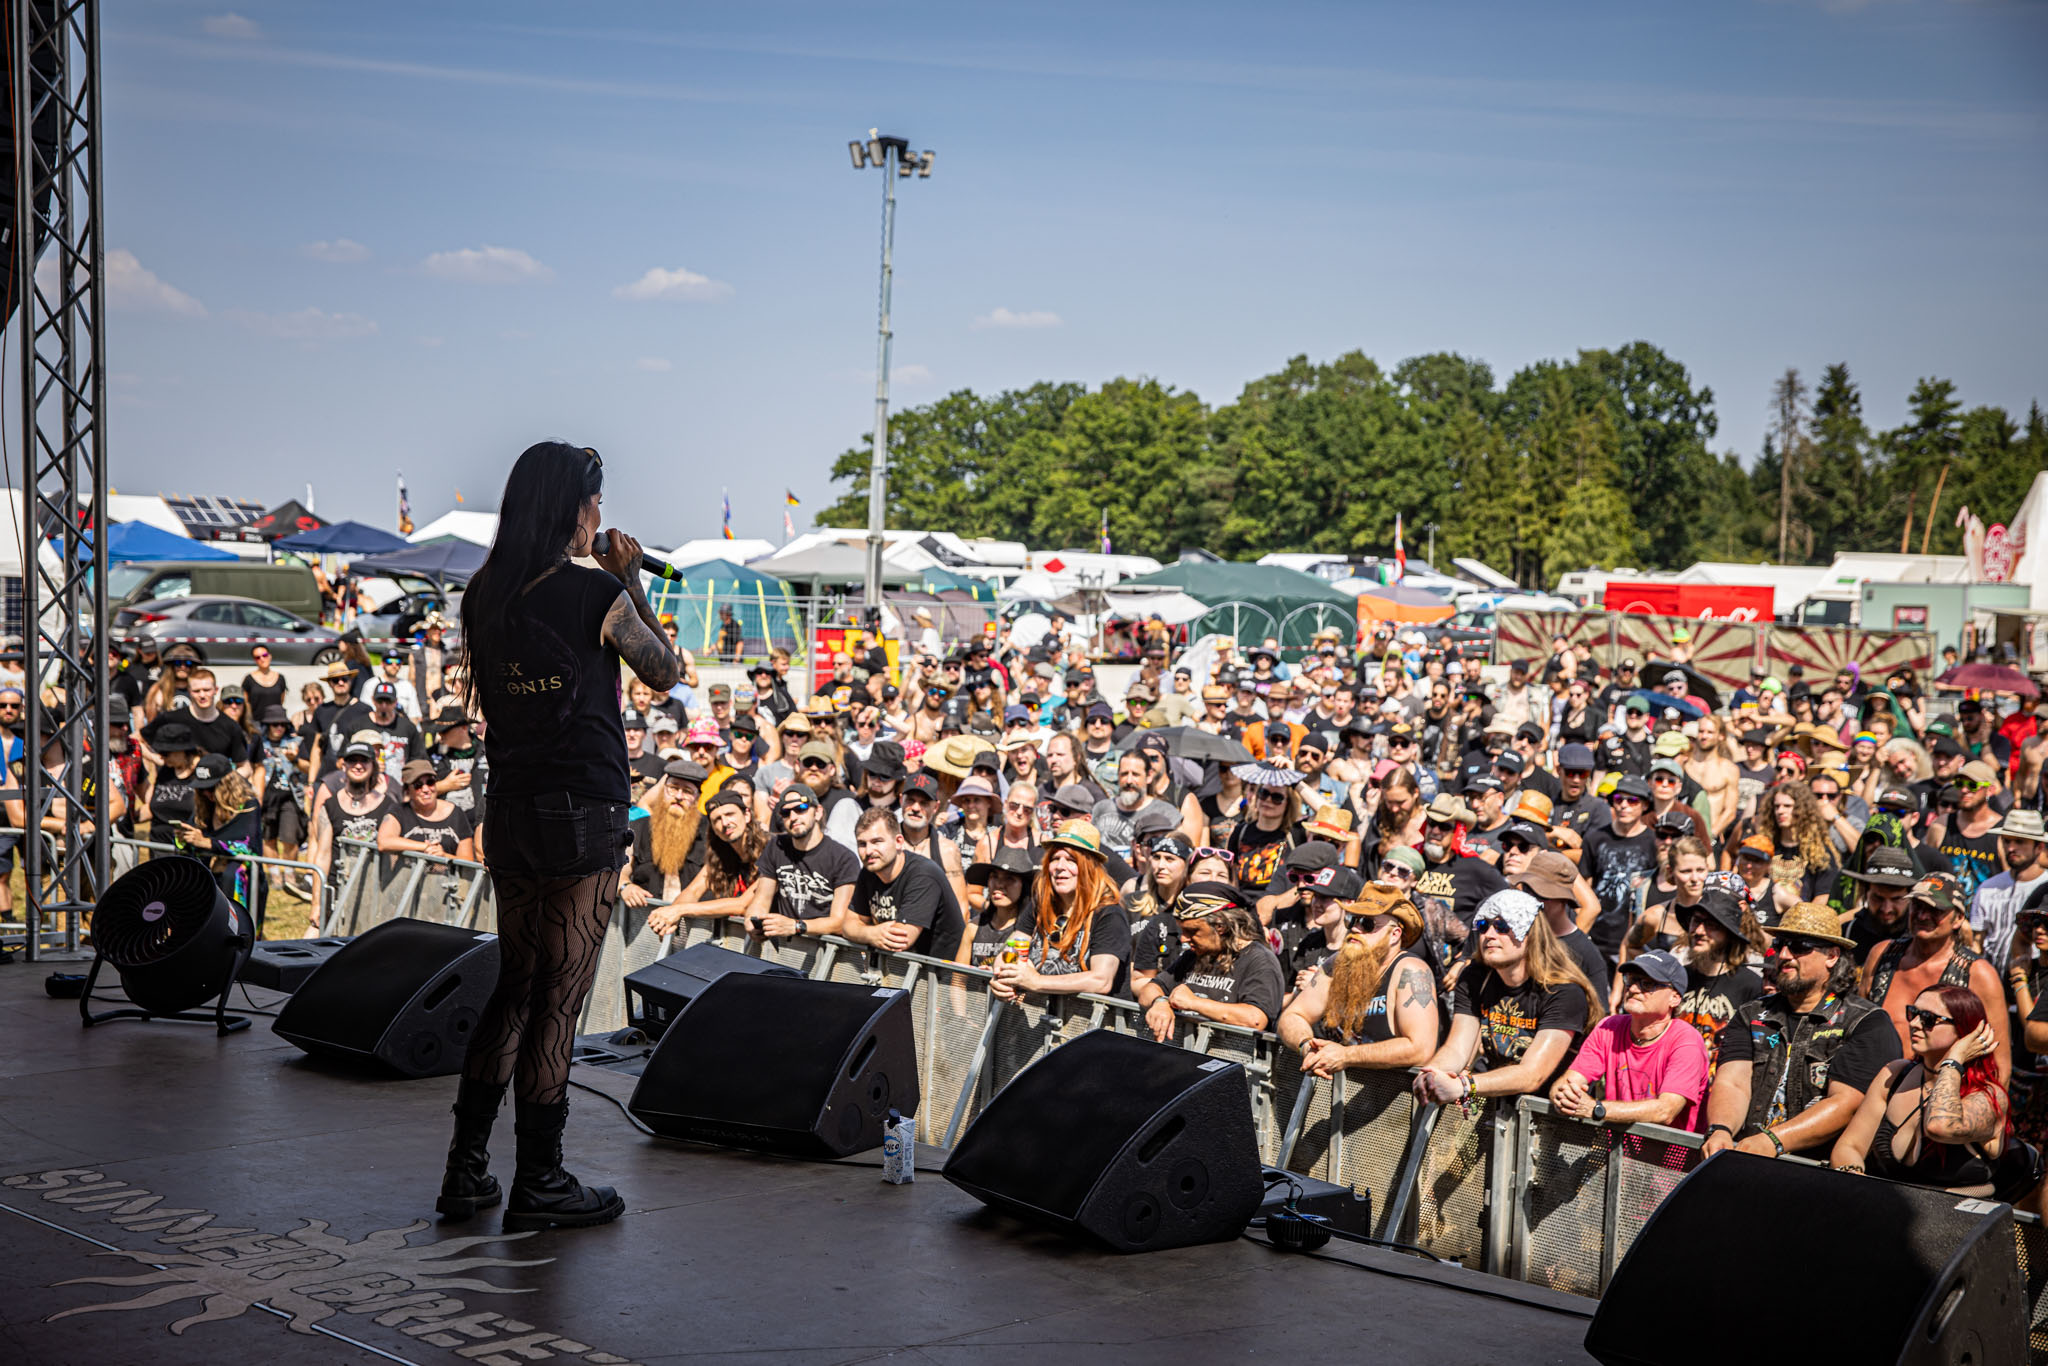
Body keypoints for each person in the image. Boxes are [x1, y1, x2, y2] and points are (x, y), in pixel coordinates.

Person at [439, 440, 681, 1231]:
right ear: (570, 509)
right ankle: (539, 1179)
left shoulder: (484, 592)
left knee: (515, 985)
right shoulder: (593, 593)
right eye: (594, 501)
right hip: (583, 808)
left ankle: (465, 1170)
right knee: (559, 999)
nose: (600, 515)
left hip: (511, 806)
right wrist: (630, 578)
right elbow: (665, 671)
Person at [1703, 901, 1903, 1160]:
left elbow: (1846, 1103)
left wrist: (1773, 1141)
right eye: (1780, 945)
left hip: (1817, 1169)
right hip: (1745, 1156)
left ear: (1832, 956)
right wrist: (1721, 1130)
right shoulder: (1751, 1014)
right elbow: (1733, 1082)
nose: (1784, 955)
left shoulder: (1866, 1022)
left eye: (1799, 947)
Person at [1831, 985, 2040, 1202]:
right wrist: (1856, 1180)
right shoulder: (1895, 1075)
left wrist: (1954, 1060)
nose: (1914, 1023)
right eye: (1913, 1013)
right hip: (1887, 1210)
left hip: (1957, 1218)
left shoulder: (1988, 1096)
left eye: (1928, 1019)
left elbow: (1940, 1126)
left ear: (1963, 1030)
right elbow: (1850, 1146)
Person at [1415, 889, 1601, 1106]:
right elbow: (1457, 1049)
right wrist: (1432, 1073)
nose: (1489, 935)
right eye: (1483, 926)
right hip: (1499, 1106)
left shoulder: (1563, 991)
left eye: (1502, 926)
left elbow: (1532, 1075)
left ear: (1530, 934)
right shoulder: (1474, 977)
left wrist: (1464, 1086)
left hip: (1548, 1115)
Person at [1860, 873, 2010, 1085]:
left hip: (1941, 1093)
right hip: (1873, 1086)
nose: (1923, 916)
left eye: (1935, 910)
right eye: (1918, 906)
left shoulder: (1977, 973)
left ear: (1958, 918)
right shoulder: (1882, 955)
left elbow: (1999, 1064)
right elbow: (1858, 1028)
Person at [1278, 881, 1441, 1076]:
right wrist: (1307, 1046)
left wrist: (1346, 1055)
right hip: (1339, 1089)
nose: (1355, 928)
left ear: (1394, 935)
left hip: (1394, 1092)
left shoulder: (1411, 971)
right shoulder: (1337, 963)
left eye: (1367, 924)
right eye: (1352, 920)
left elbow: (1420, 1048)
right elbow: (1292, 1016)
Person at [1549, 950, 1710, 1131]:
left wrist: (1596, 1109)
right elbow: (1567, 1083)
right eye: (1630, 980)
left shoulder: (1686, 1041)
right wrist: (1563, 1095)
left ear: (1674, 998)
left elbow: (1665, 1111)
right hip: (1615, 1147)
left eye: (1647, 984)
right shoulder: (1609, 1027)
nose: (1633, 989)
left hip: (1668, 1149)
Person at [991, 820, 1130, 1000]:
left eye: (1071, 860)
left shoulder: (1109, 915)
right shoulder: (1040, 904)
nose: (1059, 867)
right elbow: (1011, 947)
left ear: (1090, 867)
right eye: (1055, 859)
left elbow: (1101, 980)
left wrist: (1037, 981)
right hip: (1043, 1016)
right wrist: (1001, 975)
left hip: (1092, 1017)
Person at [1135, 882, 1286, 1040]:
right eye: (1182, 930)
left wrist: (1194, 1002)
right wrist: (1160, 1002)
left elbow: (1255, 1019)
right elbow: (1149, 989)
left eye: (1192, 931)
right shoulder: (1194, 955)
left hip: (1233, 1054)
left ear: (1221, 926)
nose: (1183, 939)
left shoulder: (1260, 960)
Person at [842, 807, 965, 958]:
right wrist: (872, 933)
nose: (868, 851)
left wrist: (862, 931)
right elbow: (847, 925)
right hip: (902, 966)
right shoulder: (869, 871)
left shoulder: (923, 874)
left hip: (939, 969)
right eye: (862, 844)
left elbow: (901, 939)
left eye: (877, 842)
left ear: (898, 842)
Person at [1673, 888, 1766, 1067]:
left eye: (1711, 925)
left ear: (1728, 934)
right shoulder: (1677, 978)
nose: (1699, 931)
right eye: (1696, 921)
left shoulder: (1750, 986)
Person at [649, 789, 764, 933]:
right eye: (717, 819)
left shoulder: (772, 850)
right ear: (713, 829)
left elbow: (743, 905)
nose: (725, 823)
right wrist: (668, 919)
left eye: (730, 814)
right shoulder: (721, 855)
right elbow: (693, 891)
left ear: (746, 815)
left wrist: (679, 910)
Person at [1578, 774, 1659, 963]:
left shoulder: (1654, 842)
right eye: (1618, 799)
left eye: (1632, 800)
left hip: (1634, 940)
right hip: (1595, 937)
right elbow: (1584, 888)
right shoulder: (1594, 838)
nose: (1624, 805)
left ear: (1645, 805)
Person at [1968, 808, 2048, 975]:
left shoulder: (2045, 889)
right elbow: (1977, 942)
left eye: (2020, 842)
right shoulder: (1988, 887)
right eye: (2006, 841)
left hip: (2036, 978)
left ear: (2039, 847)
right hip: (1991, 976)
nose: (2011, 848)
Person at [622, 760, 705, 909]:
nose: (679, 796)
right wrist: (625, 886)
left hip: (694, 920)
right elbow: (622, 869)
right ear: (662, 790)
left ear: (697, 796)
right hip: (644, 916)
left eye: (687, 791)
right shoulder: (638, 827)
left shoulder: (710, 832)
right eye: (673, 788)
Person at [377, 758, 475, 863]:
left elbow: (468, 861)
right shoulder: (399, 810)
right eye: (418, 785)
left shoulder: (456, 813)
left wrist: (443, 855)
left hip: (447, 874)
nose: (425, 789)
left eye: (430, 782)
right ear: (407, 790)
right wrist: (425, 847)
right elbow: (384, 842)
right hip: (409, 873)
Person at [959, 844, 1039, 968]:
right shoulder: (974, 927)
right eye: (994, 876)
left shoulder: (1032, 932)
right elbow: (957, 977)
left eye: (1010, 878)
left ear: (1024, 886)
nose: (999, 884)